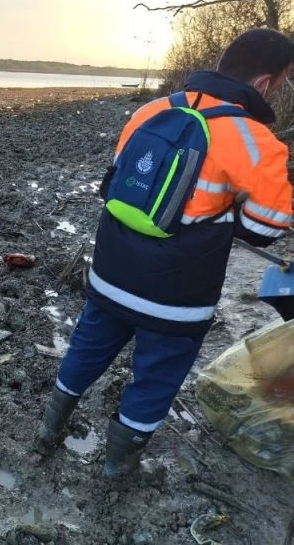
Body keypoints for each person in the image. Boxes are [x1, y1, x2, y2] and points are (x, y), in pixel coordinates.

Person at [34, 28, 294, 478]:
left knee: (86, 348)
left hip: (110, 274)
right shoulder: (257, 143)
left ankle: (46, 434)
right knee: (154, 379)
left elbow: (116, 183)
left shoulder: (150, 111)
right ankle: (117, 468)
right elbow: (263, 230)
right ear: (265, 83)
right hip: (176, 297)